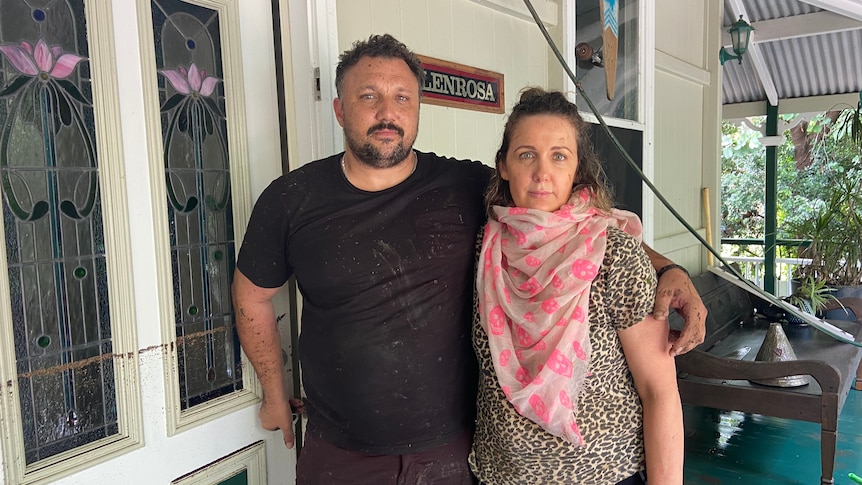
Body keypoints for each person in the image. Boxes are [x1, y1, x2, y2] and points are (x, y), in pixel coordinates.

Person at [231, 34, 699, 484]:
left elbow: (588, 226)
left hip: (451, 453)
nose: (387, 113)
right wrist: (273, 392)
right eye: (368, 97)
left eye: (402, 98)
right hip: (341, 452)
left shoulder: (465, 189)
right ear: (338, 109)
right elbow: (252, 296)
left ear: (418, 109)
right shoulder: (290, 199)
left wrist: (668, 268)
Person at [469, 87, 683, 484]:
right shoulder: (485, 248)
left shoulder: (613, 253)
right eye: (526, 154)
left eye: (559, 156)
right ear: (503, 165)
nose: (542, 173)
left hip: (604, 475)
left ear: (577, 168)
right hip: (500, 476)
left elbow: (660, 392)